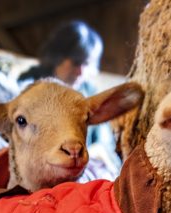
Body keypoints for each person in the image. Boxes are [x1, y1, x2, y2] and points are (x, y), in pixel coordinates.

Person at [18, 20, 121, 174]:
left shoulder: (89, 92)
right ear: (57, 56)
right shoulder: (28, 85)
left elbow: (103, 144)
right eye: (76, 62)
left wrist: (93, 154)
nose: (81, 72)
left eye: (86, 64)